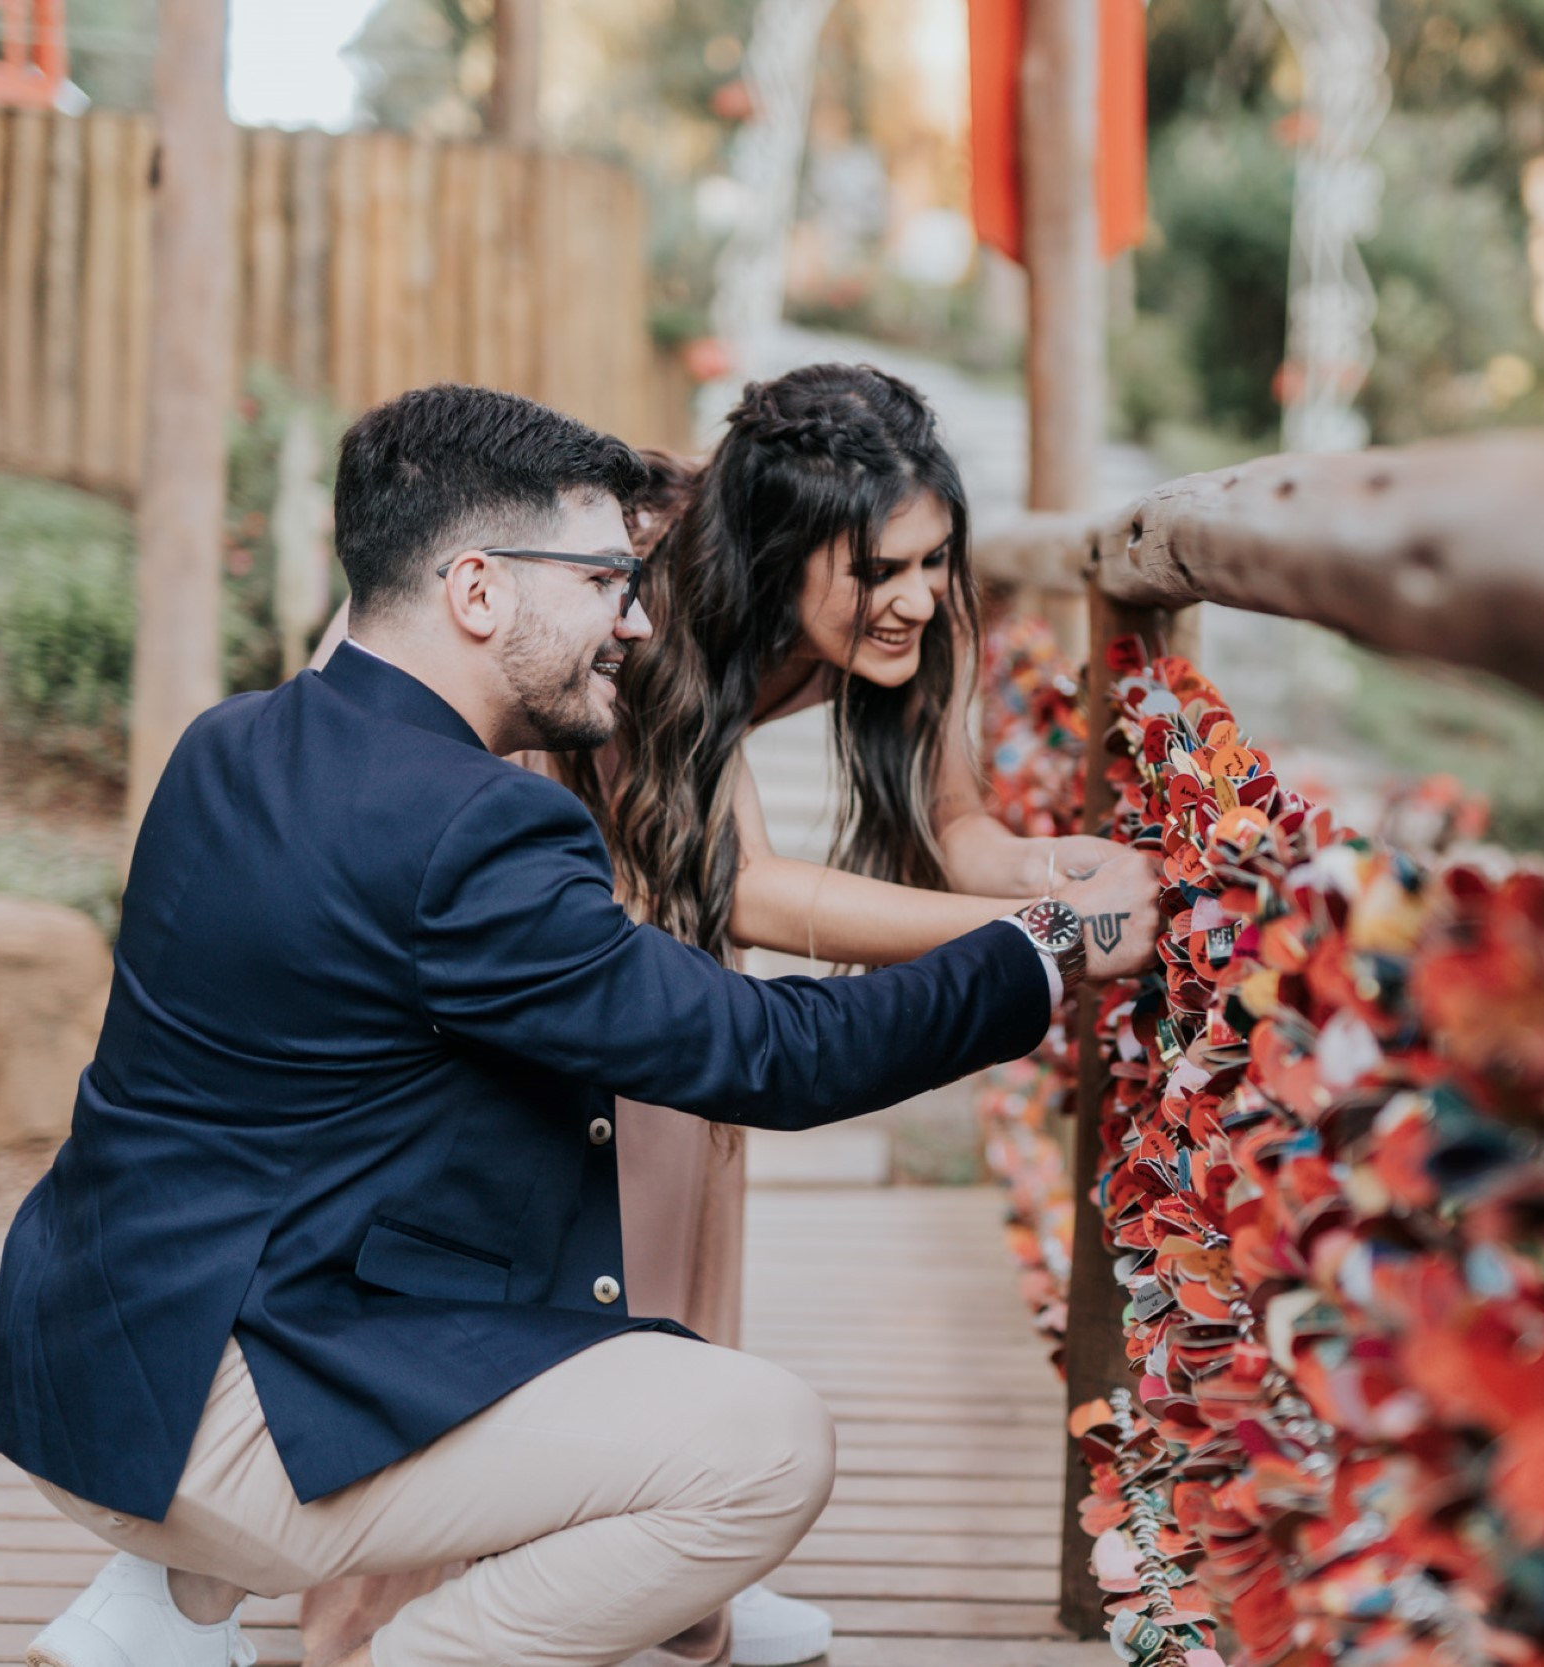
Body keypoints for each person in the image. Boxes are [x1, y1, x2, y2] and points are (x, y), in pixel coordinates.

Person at [0, 383, 1161, 1667]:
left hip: (81, 1370)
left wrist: (1027, 887)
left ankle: (169, 1610)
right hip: (236, 1416)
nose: (635, 618)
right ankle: (370, 1631)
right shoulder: (487, 822)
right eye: (603, 582)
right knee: (754, 1434)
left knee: (469, 1135)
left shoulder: (224, 742)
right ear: (479, 591)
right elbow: (769, 1044)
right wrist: (1043, 950)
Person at [298, 363, 1135, 1667]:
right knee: (535, 1132)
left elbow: (958, 826)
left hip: (641, 842)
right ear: (781, 552)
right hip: (483, 759)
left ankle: (670, 1573)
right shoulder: (648, 603)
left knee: (683, 1118)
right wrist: (1043, 942)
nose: (918, 593)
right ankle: (360, 1604)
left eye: (936, 559)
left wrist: (1045, 877)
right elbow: (737, 886)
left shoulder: (920, 596)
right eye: (880, 569)